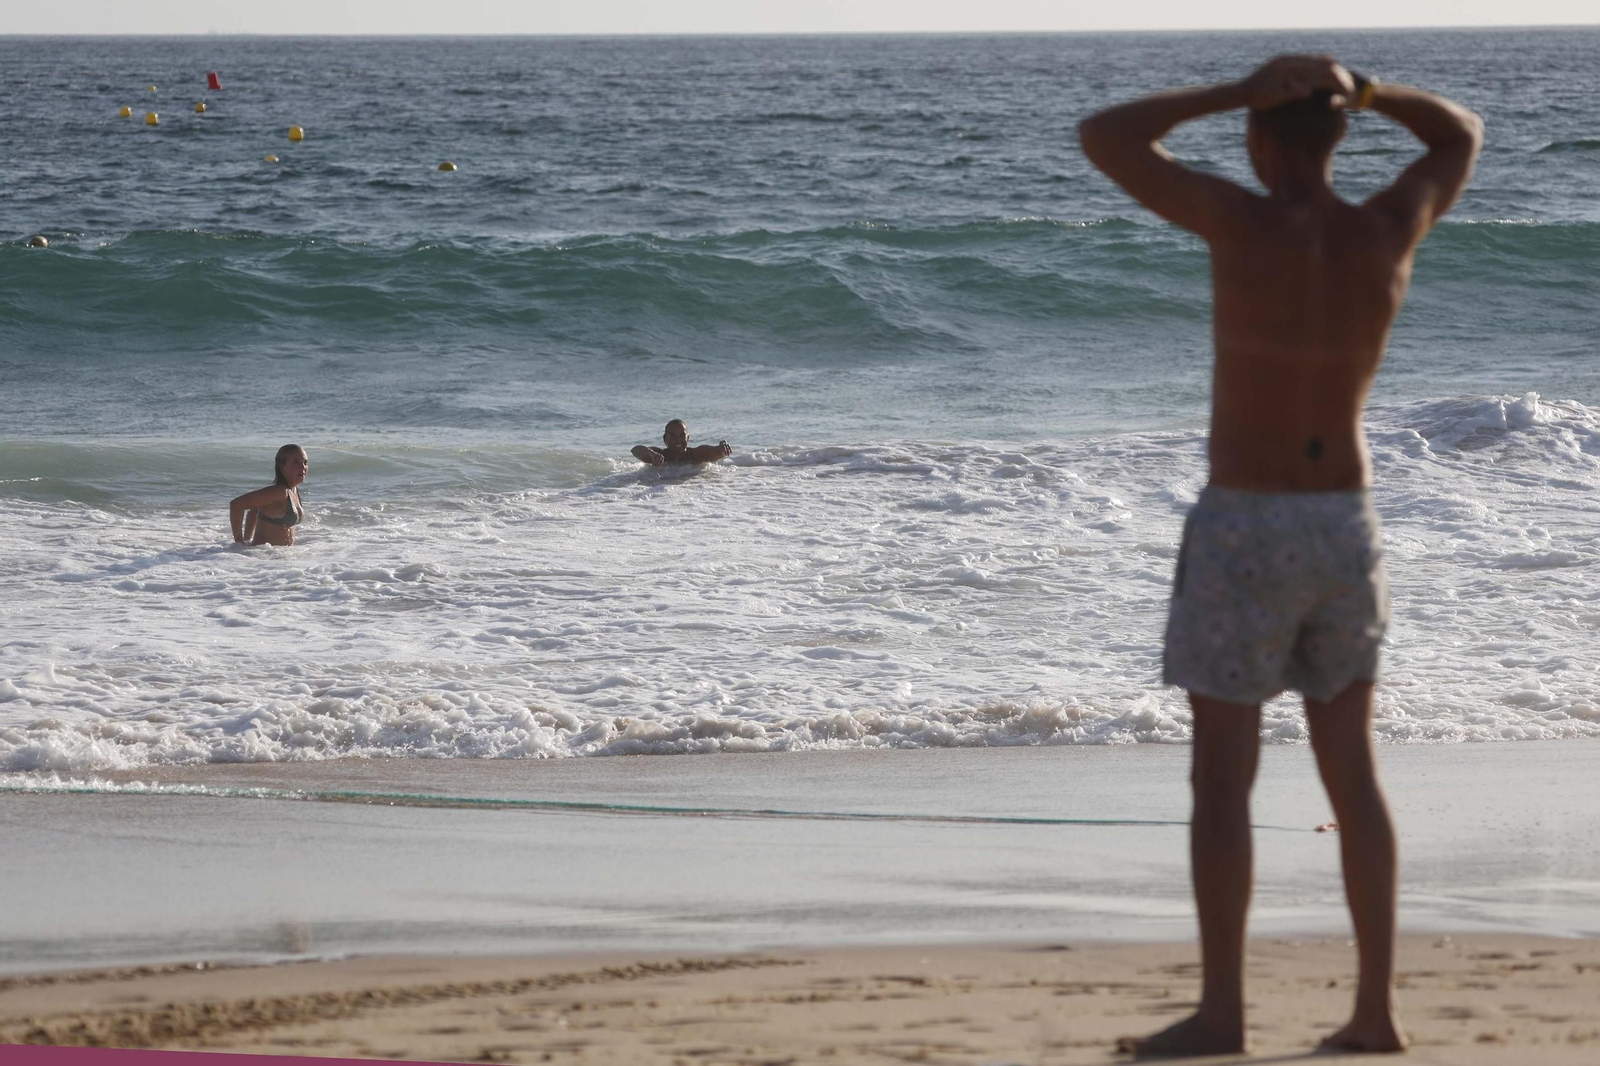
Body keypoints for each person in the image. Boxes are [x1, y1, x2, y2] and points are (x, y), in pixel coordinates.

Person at [1079, 55, 1481, 1056]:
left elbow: (1107, 137)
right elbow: (1459, 135)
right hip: (1343, 523)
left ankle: (1222, 1013)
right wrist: (1373, 90)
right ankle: (1374, 1012)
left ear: (1261, 139)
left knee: (1223, 781)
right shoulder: (1385, 230)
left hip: (1247, 523)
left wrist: (1231, 90)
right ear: (1341, 138)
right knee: (1353, 772)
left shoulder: (1235, 220)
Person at [230, 444, 309, 546]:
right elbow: (236, 504)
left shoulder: (294, 489)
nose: (303, 467)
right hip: (265, 557)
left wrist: (247, 539)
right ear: (282, 466)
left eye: (305, 463)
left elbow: (254, 510)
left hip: (280, 556)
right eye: (296, 462)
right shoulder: (279, 492)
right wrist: (239, 543)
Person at [631, 419, 732, 466]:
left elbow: (717, 452)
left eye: (682, 435)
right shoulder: (661, 455)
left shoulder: (697, 454)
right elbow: (635, 450)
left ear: (688, 438)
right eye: (673, 436)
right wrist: (651, 454)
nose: (678, 440)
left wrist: (723, 448)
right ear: (665, 439)